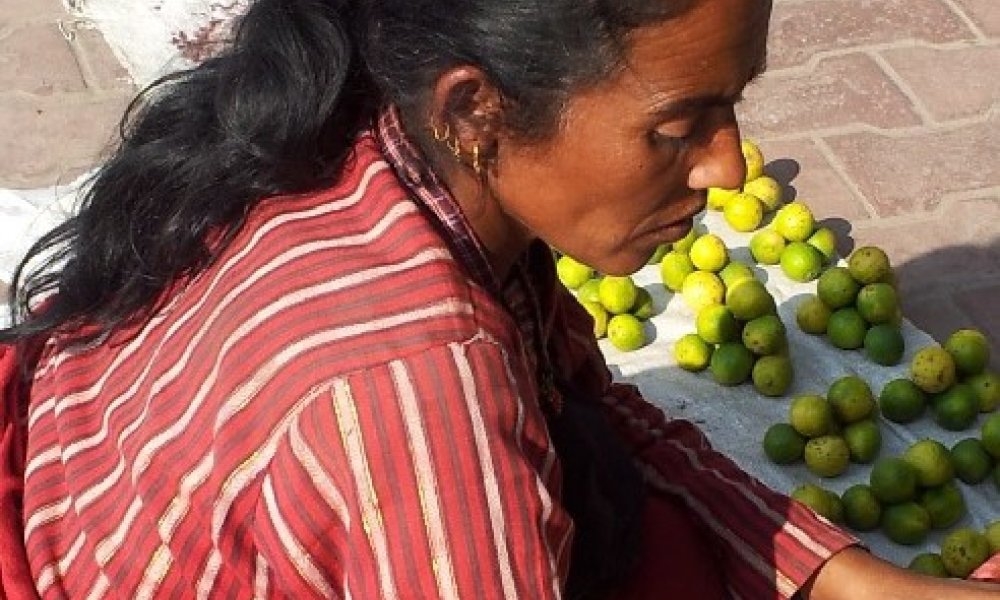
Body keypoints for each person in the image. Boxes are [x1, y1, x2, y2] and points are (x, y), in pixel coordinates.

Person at [1, 0, 998, 598]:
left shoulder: (367, 123)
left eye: (731, 105)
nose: (728, 169)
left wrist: (837, 575)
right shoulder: (421, 391)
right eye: (676, 128)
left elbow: (592, 415)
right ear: (476, 109)